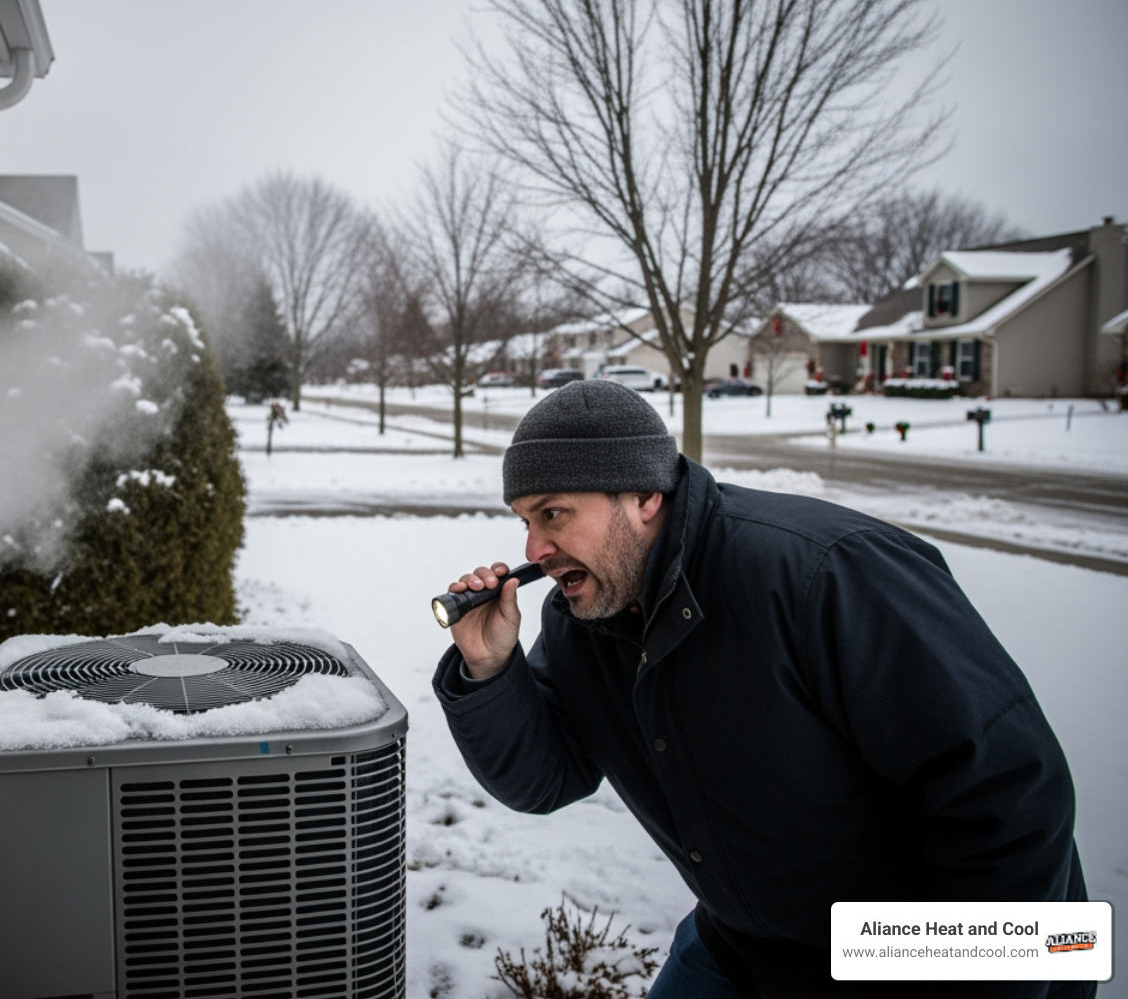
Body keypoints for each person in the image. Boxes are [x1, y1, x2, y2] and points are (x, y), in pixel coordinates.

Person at [432, 380, 1091, 999]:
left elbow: (1007, 794)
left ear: (644, 496)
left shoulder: (823, 573)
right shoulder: (585, 621)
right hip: (741, 940)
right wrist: (490, 669)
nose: (534, 548)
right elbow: (545, 781)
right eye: (524, 520)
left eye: (553, 513)